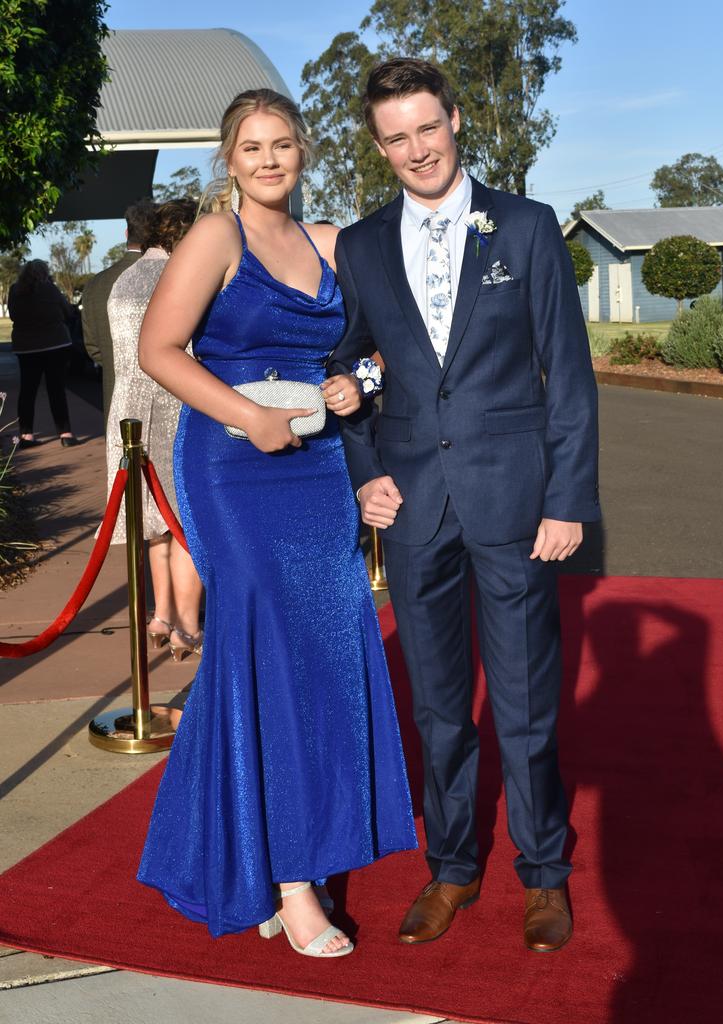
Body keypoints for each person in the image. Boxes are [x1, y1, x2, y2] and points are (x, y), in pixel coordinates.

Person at [327, 58, 601, 952]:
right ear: (379, 146)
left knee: (524, 705)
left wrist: (566, 500)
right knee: (438, 707)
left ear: (455, 120)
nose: (417, 149)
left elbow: (568, 375)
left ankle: (544, 874)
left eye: (427, 128)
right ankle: (451, 869)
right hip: (410, 506)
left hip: (517, 504)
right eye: (396, 136)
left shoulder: (525, 226)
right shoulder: (362, 244)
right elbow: (355, 363)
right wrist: (363, 465)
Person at [135, 89, 416, 956]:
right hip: (231, 467)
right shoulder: (215, 238)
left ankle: (265, 854)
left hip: (319, 469)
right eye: (251, 146)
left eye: (282, 144)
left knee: (330, 653)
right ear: (228, 159)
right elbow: (158, 349)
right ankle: (293, 884)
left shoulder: (334, 244)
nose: (268, 159)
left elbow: (385, 346)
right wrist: (248, 418)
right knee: (267, 656)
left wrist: (354, 384)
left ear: (304, 154)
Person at [104, 199, 203, 670]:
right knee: (186, 520)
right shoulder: (179, 278)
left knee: (154, 525)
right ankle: (188, 622)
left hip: (127, 413)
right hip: (176, 405)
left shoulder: (125, 280)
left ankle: (162, 615)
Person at [82, 199, 155, 425]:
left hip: (115, 397)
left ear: (126, 233)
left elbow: (93, 347)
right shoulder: (169, 276)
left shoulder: (96, 284)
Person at [8, 260, 81, 448]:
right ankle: (65, 433)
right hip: (55, 344)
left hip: (26, 347)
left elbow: (14, 315)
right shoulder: (51, 289)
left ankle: (26, 435)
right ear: (45, 272)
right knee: (56, 389)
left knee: (27, 391)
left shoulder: (15, 291)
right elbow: (67, 311)